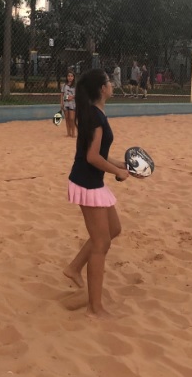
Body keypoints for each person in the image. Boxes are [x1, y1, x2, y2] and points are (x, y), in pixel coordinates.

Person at [62, 68, 130, 318]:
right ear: (102, 89)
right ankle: (95, 307)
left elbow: (96, 153)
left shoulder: (95, 112)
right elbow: (91, 157)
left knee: (113, 230)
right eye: (109, 82)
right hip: (86, 182)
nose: (112, 85)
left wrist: (117, 164)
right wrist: (116, 172)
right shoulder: (96, 117)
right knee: (101, 242)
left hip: (91, 180)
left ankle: (74, 268)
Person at [60, 71, 77, 138]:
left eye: (71, 76)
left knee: (72, 118)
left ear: (73, 77)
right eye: (68, 76)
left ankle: (73, 133)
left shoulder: (75, 86)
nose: (70, 77)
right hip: (66, 103)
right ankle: (68, 133)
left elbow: (77, 94)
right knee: (67, 118)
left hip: (73, 104)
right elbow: (62, 95)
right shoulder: (64, 85)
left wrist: (72, 97)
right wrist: (61, 103)